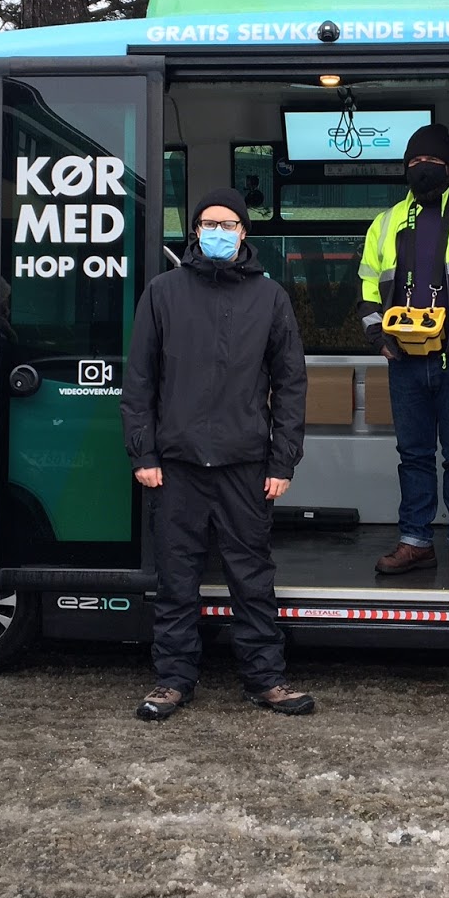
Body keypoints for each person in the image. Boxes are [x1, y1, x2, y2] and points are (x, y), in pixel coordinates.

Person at [121, 188, 313, 721]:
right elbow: (139, 380)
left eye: (229, 224)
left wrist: (283, 460)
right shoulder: (162, 292)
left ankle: (266, 679)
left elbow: (291, 382)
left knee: (252, 578)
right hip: (175, 465)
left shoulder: (270, 297)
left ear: (244, 233)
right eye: (209, 223)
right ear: (195, 231)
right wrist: (144, 454)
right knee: (175, 579)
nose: (219, 231)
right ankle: (173, 680)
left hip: (246, 464)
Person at [359, 124, 449, 578]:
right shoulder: (387, 220)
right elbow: (366, 286)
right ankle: (415, 542)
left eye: (430, 162)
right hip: (405, 362)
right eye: (413, 163)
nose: (422, 169)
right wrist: (380, 339)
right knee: (412, 455)